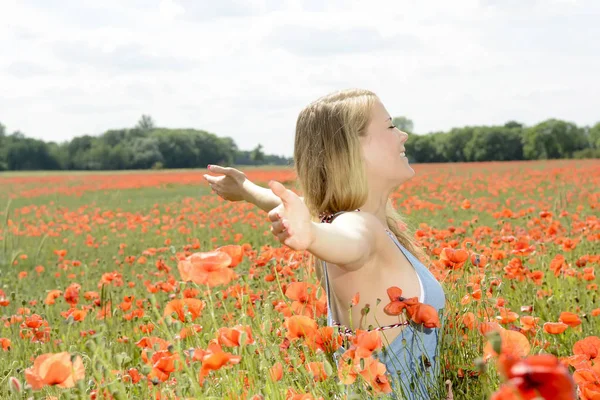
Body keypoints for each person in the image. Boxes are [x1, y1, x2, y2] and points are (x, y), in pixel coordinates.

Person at [203, 88, 446, 399]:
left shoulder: (343, 217)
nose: (403, 135)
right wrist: (312, 237)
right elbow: (347, 240)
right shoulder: (360, 227)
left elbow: (311, 212)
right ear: (350, 149)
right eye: (389, 126)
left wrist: (246, 189)